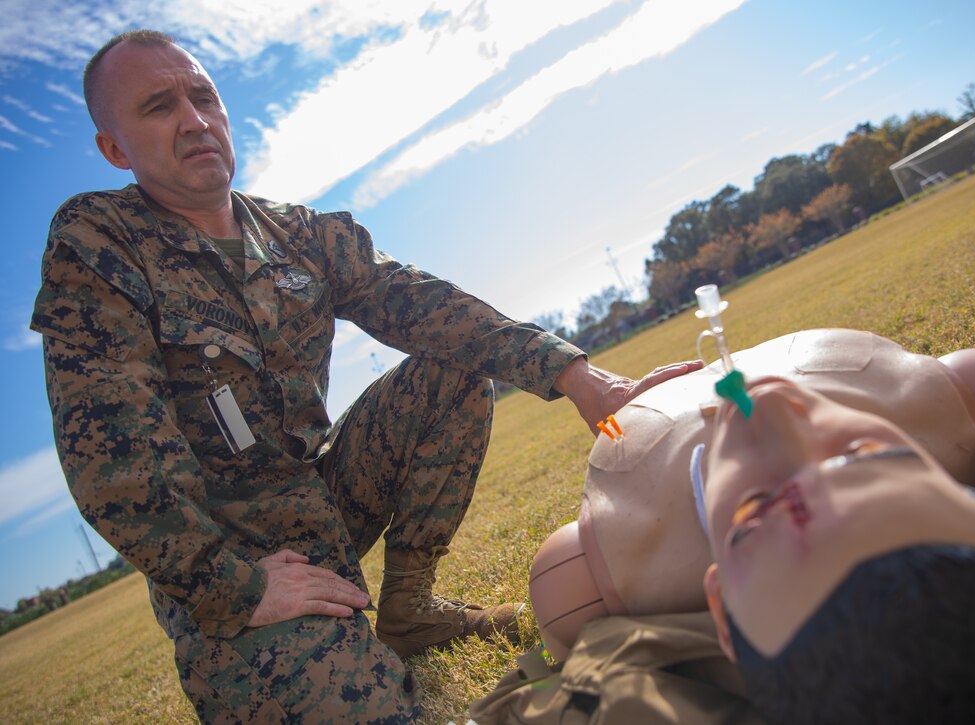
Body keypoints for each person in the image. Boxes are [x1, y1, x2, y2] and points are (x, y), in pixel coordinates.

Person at [30, 29, 698, 723]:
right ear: (115, 148)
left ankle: (409, 612)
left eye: (204, 96)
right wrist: (233, 585)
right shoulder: (98, 242)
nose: (194, 120)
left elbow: (420, 303)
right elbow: (113, 453)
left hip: (324, 500)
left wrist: (578, 375)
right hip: (233, 561)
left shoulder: (299, 233)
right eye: (159, 106)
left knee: (453, 368)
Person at [525, 280, 975, 722]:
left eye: (755, 514)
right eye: (866, 456)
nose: (771, 413)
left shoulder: (614, 564)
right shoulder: (956, 414)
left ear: (721, 611)